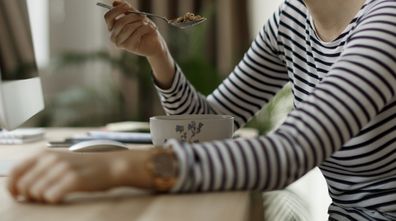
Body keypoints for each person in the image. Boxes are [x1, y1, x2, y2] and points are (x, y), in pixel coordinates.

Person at [7, 0, 396, 219]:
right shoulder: (291, 20)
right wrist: (159, 56)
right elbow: (210, 126)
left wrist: (118, 168)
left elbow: (290, 153)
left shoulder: (386, 21)